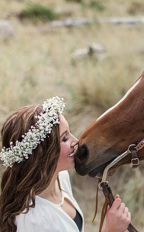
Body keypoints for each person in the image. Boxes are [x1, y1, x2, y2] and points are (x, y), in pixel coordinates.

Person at [0, 96, 131, 232]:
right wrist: (111, 229)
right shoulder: (36, 220)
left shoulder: (61, 178)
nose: (75, 140)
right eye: (65, 138)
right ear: (43, 153)